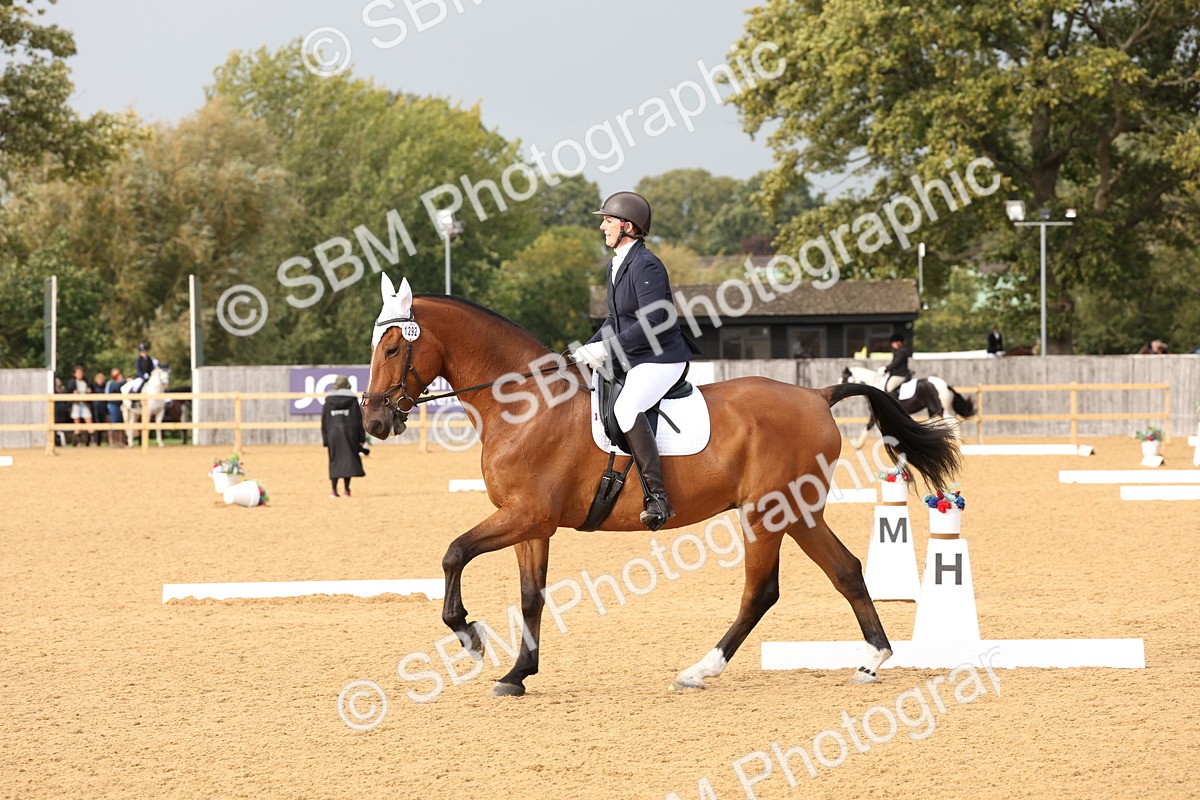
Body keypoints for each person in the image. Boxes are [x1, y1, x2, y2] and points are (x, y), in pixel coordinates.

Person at [571, 191, 699, 531]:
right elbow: (616, 320)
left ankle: (658, 497)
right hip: (636, 355)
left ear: (627, 226)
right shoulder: (618, 263)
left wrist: (608, 350)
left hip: (662, 358)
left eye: (608, 221)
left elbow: (654, 320)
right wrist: (586, 349)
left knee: (626, 408)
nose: (602, 226)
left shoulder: (646, 264)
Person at [321, 375, 366, 498]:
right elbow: (358, 420)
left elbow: (324, 420)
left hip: (333, 434)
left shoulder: (328, 400)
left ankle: (333, 490)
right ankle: (347, 490)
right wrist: (361, 438)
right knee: (348, 461)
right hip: (350, 433)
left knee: (334, 461)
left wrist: (325, 439)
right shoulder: (352, 400)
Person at [67, 365, 93, 446]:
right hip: (76, 404)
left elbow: (92, 389)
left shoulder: (86, 381)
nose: (80, 374)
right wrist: (73, 393)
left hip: (85, 403)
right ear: (74, 374)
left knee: (89, 420)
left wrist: (89, 391)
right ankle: (78, 441)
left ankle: (91, 440)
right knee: (77, 421)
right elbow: (67, 391)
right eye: (78, 373)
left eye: (81, 372)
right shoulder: (72, 382)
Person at [105, 368, 127, 447]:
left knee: (120, 422)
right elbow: (115, 387)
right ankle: (113, 442)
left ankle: (120, 442)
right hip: (113, 404)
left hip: (120, 405)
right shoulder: (111, 383)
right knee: (114, 421)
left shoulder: (121, 383)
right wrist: (125, 381)